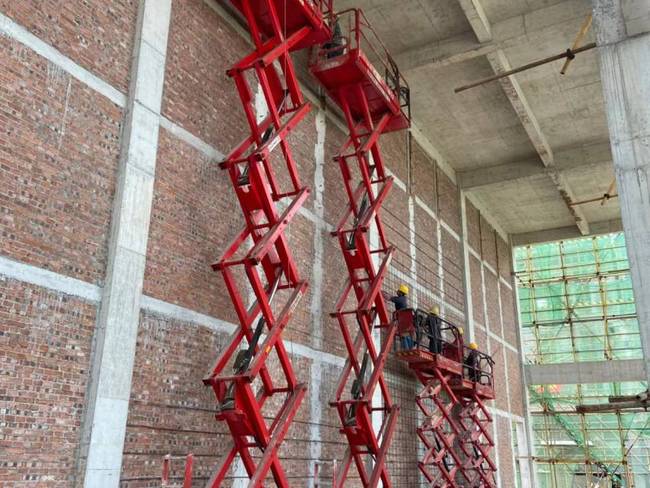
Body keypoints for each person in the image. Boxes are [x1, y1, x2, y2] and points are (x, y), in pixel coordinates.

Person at [383, 284, 411, 349]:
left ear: (401, 292)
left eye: (399, 290)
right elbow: (393, 298)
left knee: (403, 335)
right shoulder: (402, 299)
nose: (397, 291)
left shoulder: (401, 299)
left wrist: (382, 294)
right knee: (405, 335)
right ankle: (409, 348)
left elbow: (390, 298)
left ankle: (407, 349)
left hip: (403, 320)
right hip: (405, 319)